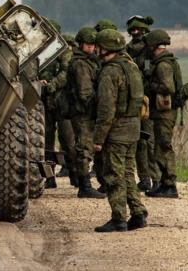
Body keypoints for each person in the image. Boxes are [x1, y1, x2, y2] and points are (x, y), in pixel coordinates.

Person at [93, 29, 148, 232]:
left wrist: (98, 139)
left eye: (98, 47)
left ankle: (119, 218)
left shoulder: (110, 72)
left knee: (114, 175)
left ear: (105, 48)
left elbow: (106, 109)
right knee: (127, 173)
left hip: (116, 131)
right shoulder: (131, 67)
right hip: (133, 128)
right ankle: (138, 213)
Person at [144, 29, 183, 198]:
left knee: (163, 147)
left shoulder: (163, 65)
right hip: (163, 112)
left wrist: (151, 86)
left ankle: (170, 185)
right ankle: (165, 183)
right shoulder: (164, 62)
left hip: (165, 113)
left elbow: (168, 87)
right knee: (160, 147)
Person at [68, 27, 105, 199]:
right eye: (88, 45)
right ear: (81, 44)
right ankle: (84, 186)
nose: (91, 48)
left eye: (93, 45)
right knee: (84, 147)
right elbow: (84, 93)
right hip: (83, 112)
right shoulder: (80, 64)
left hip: (86, 112)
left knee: (86, 147)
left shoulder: (90, 61)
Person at [125, 15, 159, 192]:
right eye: (133, 31)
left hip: (148, 100)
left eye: (138, 31)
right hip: (135, 100)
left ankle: (156, 179)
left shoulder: (150, 50)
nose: (135, 33)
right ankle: (145, 179)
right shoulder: (128, 49)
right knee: (139, 141)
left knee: (149, 141)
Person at [40, 19, 76, 188]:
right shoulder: (38, 49)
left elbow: (66, 71)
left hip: (62, 102)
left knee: (68, 140)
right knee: (45, 143)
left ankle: (77, 176)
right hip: (44, 102)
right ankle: (49, 177)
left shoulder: (63, 51)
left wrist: (52, 84)